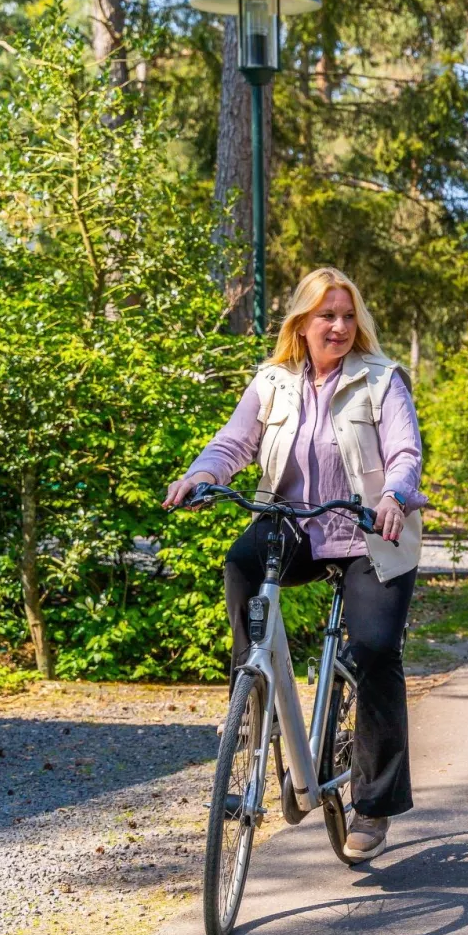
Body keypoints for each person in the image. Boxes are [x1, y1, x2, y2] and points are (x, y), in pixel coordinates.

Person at [163, 267, 425, 861]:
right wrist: (203, 474)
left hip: (369, 533)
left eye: (347, 315)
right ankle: (253, 695)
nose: (337, 326)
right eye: (325, 315)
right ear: (301, 324)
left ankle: (374, 805)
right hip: (293, 525)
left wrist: (393, 495)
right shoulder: (273, 381)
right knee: (241, 562)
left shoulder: (381, 381)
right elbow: (234, 442)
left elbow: (406, 454)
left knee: (377, 649)